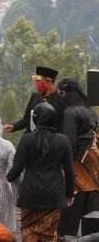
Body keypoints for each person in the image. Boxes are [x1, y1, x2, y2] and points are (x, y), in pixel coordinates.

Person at [7, 102, 75, 242]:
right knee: (49, 234)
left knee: (28, 232)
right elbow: (69, 170)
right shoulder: (63, 140)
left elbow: (17, 169)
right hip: (54, 195)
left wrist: (7, 178)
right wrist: (69, 193)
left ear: (36, 119)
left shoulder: (27, 139)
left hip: (30, 194)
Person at [56, 78, 99, 239]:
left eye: (61, 93)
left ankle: (67, 235)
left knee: (72, 202)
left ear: (67, 93)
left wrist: (63, 167)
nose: (60, 97)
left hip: (78, 163)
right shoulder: (90, 110)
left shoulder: (70, 112)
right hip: (94, 161)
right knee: (93, 203)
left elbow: (69, 142)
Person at [5, 66, 64, 134]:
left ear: (49, 81)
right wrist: (14, 126)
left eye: (39, 81)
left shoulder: (60, 100)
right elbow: (27, 119)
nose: (36, 84)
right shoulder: (35, 97)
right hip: (32, 138)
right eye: (36, 81)